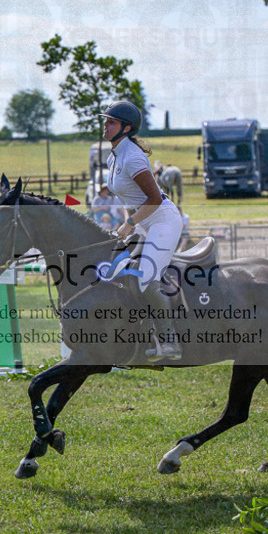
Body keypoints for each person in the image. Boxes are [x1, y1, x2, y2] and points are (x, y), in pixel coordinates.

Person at [102, 99, 183, 361]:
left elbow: (155, 199)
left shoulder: (133, 157)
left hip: (163, 220)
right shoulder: (113, 157)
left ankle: (170, 342)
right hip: (144, 221)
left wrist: (130, 223)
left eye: (111, 122)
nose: (105, 125)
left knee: (146, 277)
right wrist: (128, 223)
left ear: (126, 128)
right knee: (120, 272)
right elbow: (129, 200)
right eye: (106, 121)